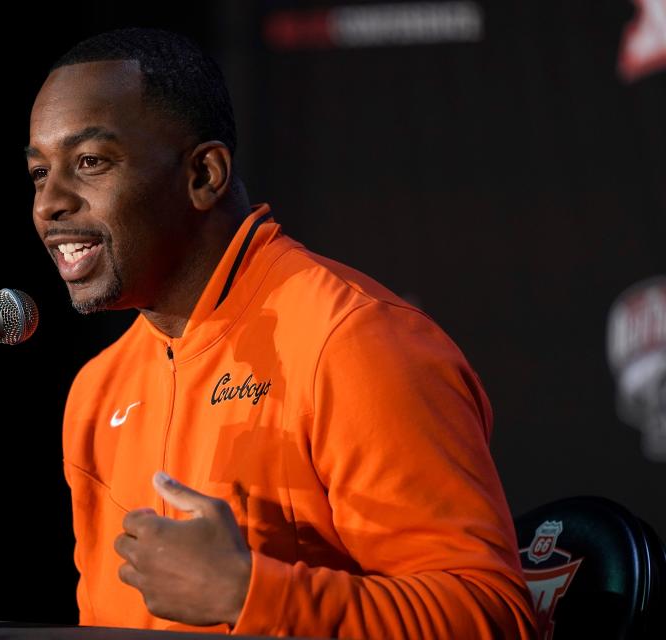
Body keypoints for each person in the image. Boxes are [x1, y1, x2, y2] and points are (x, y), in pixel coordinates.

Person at [27, 27, 537, 639]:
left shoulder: (355, 342)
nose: (49, 203)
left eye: (90, 163)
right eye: (37, 172)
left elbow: (490, 615)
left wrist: (252, 594)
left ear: (204, 175)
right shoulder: (97, 389)